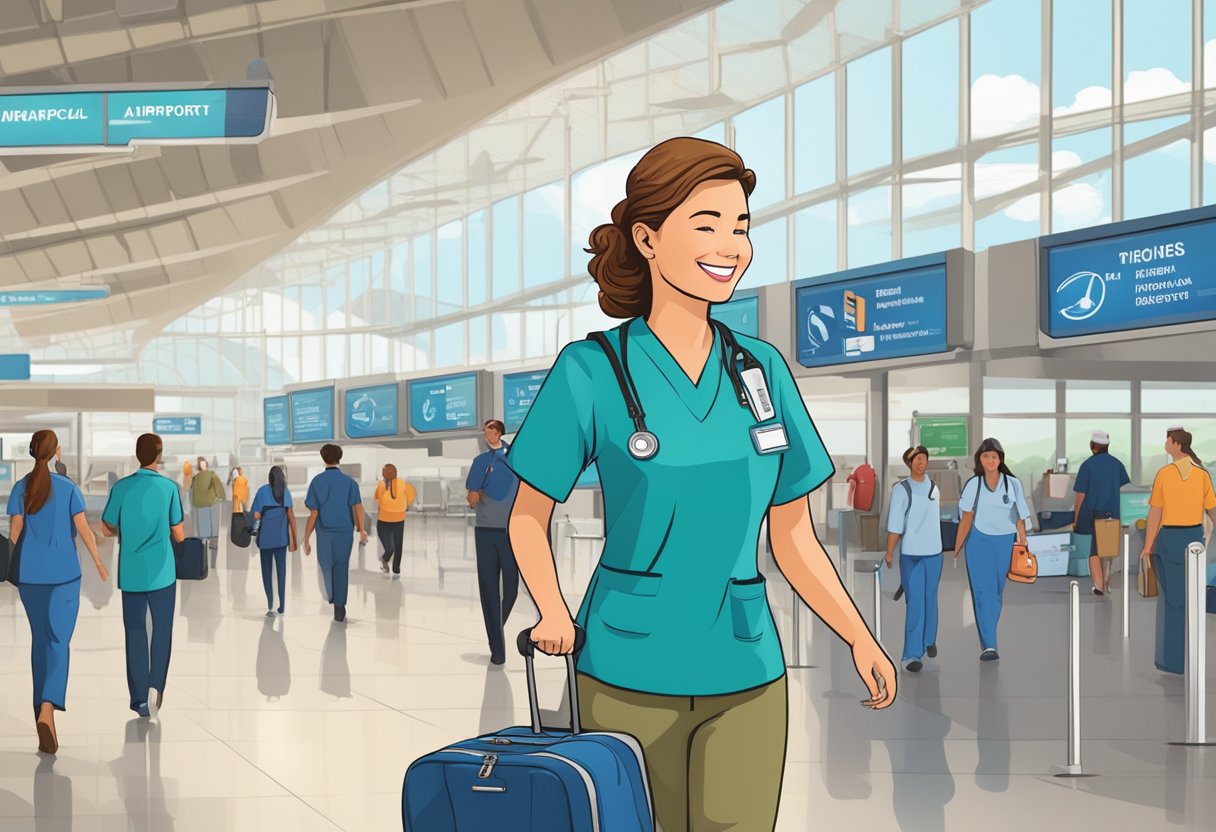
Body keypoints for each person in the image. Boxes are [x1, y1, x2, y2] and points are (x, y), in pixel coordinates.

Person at [506, 137, 895, 831]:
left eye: (741, 227)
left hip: (745, 669)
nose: (731, 246)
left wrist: (858, 636)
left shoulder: (762, 371)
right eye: (707, 225)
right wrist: (553, 611)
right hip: (627, 668)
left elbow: (793, 533)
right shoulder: (590, 371)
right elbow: (527, 518)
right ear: (648, 238)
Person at [6, 430, 107, 754]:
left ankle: (40, 714)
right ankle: (48, 708)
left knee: (40, 642)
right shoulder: (67, 488)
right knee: (58, 642)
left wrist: (16, 562)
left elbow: (15, 532)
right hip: (64, 577)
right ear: (56, 453)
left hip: (30, 578)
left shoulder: (21, 487)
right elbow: (83, 531)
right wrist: (99, 563)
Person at [101, 433, 185, 718]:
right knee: (162, 630)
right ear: (158, 455)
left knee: (135, 632)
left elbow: (105, 526)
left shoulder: (122, 487)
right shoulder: (169, 488)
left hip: (132, 572)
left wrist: (124, 530)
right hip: (163, 572)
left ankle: (138, 699)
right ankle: (156, 688)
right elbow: (179, 533)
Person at [1141, 427, 1216, 675]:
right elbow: (1212, 511)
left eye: (1167, 440)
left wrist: (1147, 546)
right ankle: (1191, 658)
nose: (1165, 443)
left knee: (1172, 601)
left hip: (1170, 539)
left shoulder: (1165, 474)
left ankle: (1173, 661)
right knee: (1190, 599)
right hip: (1194, 539)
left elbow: (1156, 513)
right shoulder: (1202, 475)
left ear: (1175, 445)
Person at [954, 438, 1031, 662]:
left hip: (1005, 542)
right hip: (978, 542)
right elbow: (966, 518)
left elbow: (1020, 517)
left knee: (996, 593)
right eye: (986, 456)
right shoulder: (973, 484)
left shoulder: (1013, 484)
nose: (990, 460)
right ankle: (989, 645)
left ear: (1000, 459)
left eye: (994, 457)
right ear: (980, 459)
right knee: (981, 593)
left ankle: (989, 632)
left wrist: (1023, 543)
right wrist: (957, 547)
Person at [465, 420, 521, 665]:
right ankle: (497, 648)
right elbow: (471, 500)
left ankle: (495, 624)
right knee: (489, 589)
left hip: (513, 531)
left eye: (488, 429)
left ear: (498, 432)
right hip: (486, 531)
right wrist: (479, 489)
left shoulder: (518, 458)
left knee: (511, 589)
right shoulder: (480, 462)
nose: (485, 433)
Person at [885, 446, 944, 674]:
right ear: (909, 463)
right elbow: (895, 525)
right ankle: (911, 654)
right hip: (912, 554)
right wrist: (890, 552)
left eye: (923, 458)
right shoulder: (901, 489)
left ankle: (929, 640)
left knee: (930, 598)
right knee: (916, 602)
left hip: (934, 553)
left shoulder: (934, 487)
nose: (920, 462)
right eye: (915, 459)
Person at [303, 444, 367, 622]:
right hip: (345, 532)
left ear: (323, 458)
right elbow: (358, 508)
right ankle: (340, 606)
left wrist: (306, 538)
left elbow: (313, 513)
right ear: (340, 458)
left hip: (324, 533)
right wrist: (361, 529)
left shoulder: (317, 482)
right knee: (341, 567)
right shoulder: (350, 483)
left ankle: (332, 597)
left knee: (326, 566)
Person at [1073, 430, 1131, 596]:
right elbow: (1122, 487)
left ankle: (1099, 586)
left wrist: (1076, 518)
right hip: (1113, 512)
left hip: (1093, 512)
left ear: (1093, 446)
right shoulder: (1118, 464)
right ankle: (1105, 581)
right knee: (1108, 549)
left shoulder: (1087, 466)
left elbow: (1080, 496)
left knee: (1094, 551)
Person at [250, 466, 298, 616]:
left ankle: (270, 601)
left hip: (265, 540)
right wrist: (295, 539)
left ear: (269, 478)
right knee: (281, 571)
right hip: (281, 540)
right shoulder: (286, 492)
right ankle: (282, 605)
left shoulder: (262, 491)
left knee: (267, 571)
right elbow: (291, 516)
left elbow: (255, 515)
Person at [374, 464, 416, 576]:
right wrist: (406, 505)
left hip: (384, 520)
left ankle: (386, 559)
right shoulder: (403, 483)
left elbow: (377, 500)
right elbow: (411, 494)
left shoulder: (381, 485)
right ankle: (396, 568)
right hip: (398, 519)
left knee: (390, 547)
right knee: (398, 545)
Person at [190, 457, 225, 549]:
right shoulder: (212, 475)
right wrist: (221, 496)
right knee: (212, 523)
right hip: (211, 503)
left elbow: (192, 491)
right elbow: (218, 487)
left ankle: (203, 543)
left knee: (202, 524)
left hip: (199, 504)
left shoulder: (196, 478)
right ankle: (212, 542)